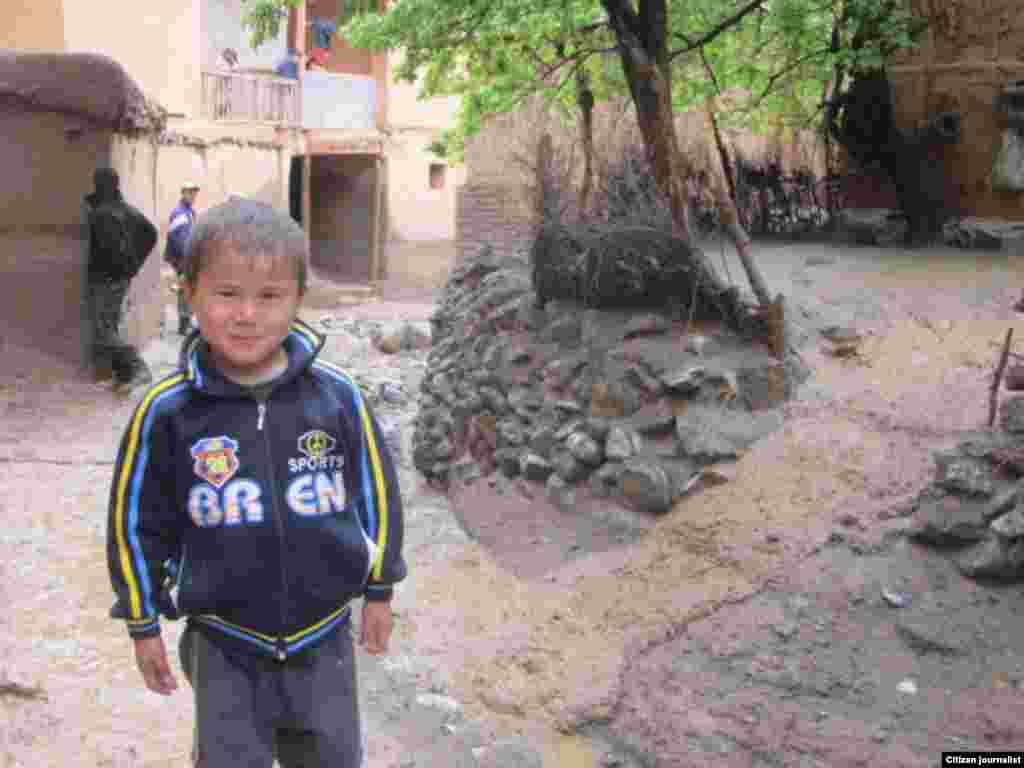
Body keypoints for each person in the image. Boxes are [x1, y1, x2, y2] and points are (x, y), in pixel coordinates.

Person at [106, 197, 406, 767]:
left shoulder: (337, 396)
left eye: (270, 296)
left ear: (298, 299)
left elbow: (377, 497)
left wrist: (379, 589)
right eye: (226, 293)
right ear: (189, 294)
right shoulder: (167, 412)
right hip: (223, 642)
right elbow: (135, 524)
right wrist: (142, 623)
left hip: (324, 638)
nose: (247, 314)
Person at [83, 167, 158, 392]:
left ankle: (138, 367)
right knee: (110, 327)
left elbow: (149, 234)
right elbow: (150, 233)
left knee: (102, 331)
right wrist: (134, 264)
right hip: (117, 277)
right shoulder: (121, 208)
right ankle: (124, 375)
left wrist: (133, 263)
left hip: (105, 279)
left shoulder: (104, 212)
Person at [163, 181, 200, 335]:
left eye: (194, 193)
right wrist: (186, 258)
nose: (193, 196)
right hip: (181, 257)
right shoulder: (180, 213)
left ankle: (186, 321)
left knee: (187, 288)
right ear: (183, 193)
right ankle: (183, 324)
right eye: (190, 193)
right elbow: (179, 239)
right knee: (185, 288)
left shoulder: (189, 212)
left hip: (186, 256)